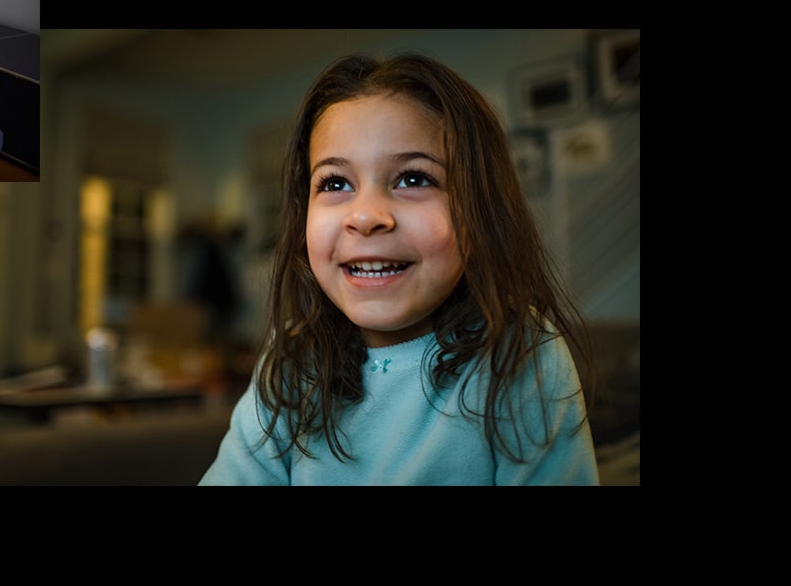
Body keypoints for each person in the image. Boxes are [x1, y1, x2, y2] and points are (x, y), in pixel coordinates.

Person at [199, 52, 598, 485]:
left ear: (479, 211)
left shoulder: (520, 354)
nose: (366, 215)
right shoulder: (294, 356)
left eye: (413, 178)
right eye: (335, 183)